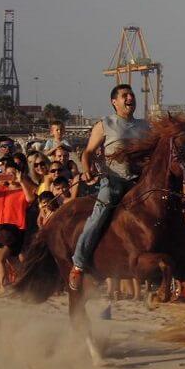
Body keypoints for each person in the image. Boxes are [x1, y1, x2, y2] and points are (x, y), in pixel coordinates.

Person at [68, 84, 150, 291]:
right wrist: (86, 171)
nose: (130, 98)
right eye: (125, 95)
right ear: (114, 102)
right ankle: (78, 264)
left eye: (131, 94)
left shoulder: (145, 127)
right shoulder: (106, 124)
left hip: (139, 181)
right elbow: (88, 152)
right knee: (98, 215)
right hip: (114, 181)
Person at [0, 161, 37, 294]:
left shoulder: (22, 189)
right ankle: (22, 283)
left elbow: (30, 199)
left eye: (12, 173)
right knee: (7, 260)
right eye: (7, 173)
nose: (9, 176)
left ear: (18, 174)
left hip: (13, 228)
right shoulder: (1, 189)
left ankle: (4, 288)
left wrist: (21, 181)